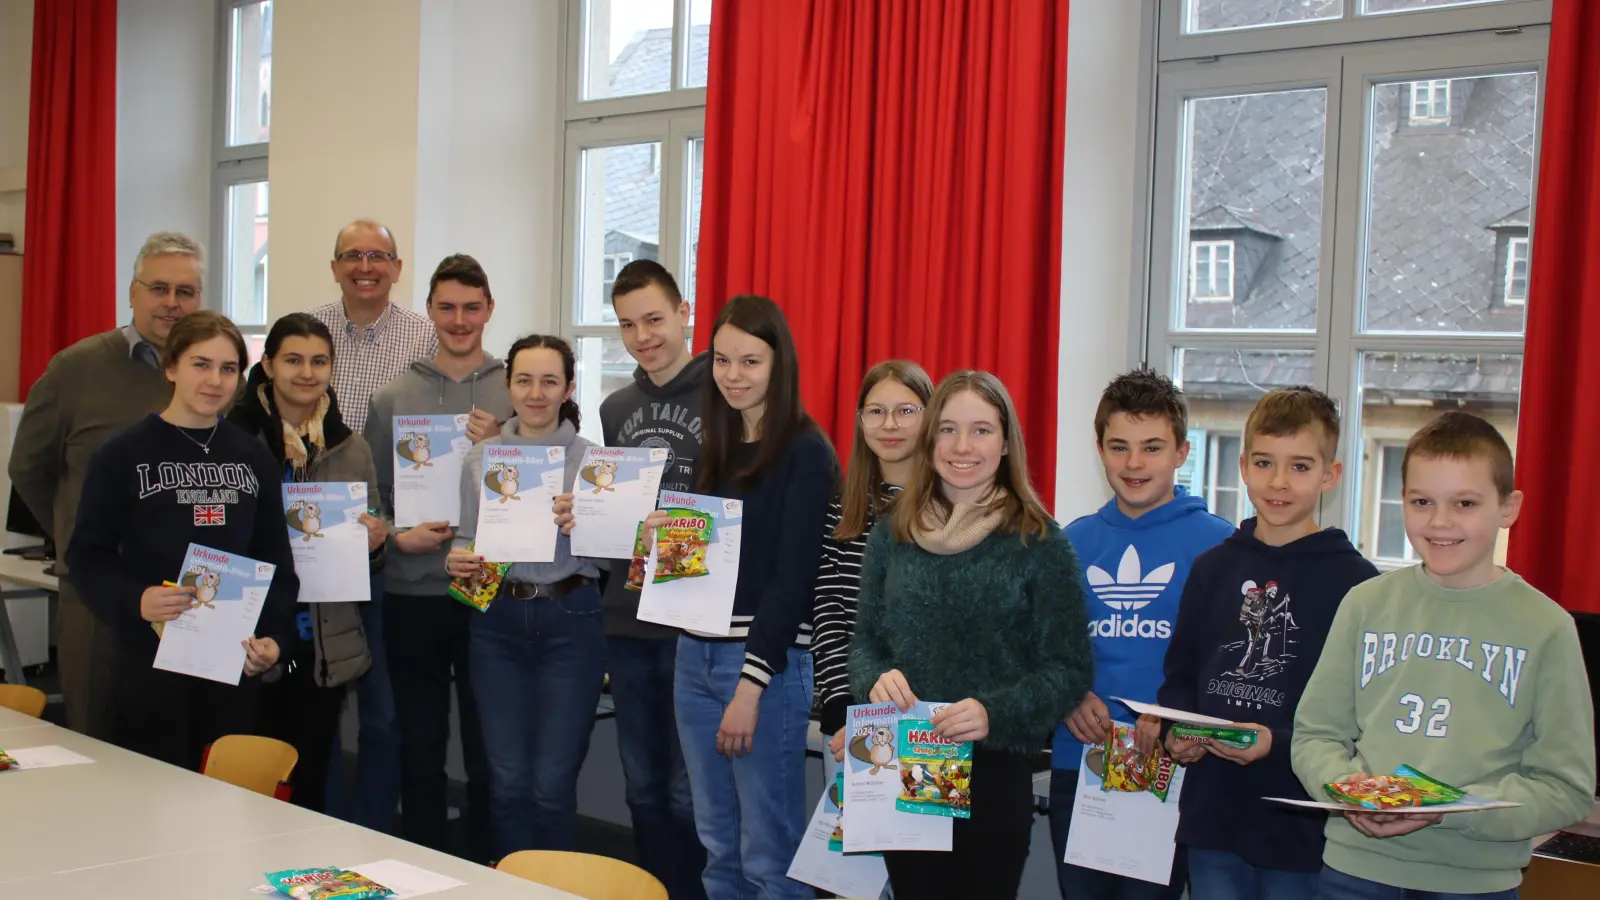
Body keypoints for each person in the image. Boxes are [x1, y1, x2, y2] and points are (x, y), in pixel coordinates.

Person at [1292, 412, 1596, 900]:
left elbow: (1566, 787)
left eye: (1466, 503)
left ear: (1508, 507)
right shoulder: (1365, 604)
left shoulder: (1548, 628)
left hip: (1473, 884)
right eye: (1422, 501)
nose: (1440, 521)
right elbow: (1315, 734)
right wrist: (1345, 786)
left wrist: (1452, 808)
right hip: (1354, 871)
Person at [850, 370, 1093, 899]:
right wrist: (874, 678)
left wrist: (994, 712)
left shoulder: (1040, 542)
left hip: (994, 775)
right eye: (950, 429)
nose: (963, 447)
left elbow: (1068, 669)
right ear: (931, 436)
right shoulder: (893, 532)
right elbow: (864, 640)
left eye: (982, 430)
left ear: (1006, 443)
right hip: (907, 758)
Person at [1157, 387, 1379, 899]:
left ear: (1330, 475)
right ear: (1243, 466)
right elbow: (1181, 676)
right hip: (1213, 818)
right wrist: (1179, 728)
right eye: (1264, 463)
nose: (1278, 482)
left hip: (1298, 827)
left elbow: (1358, 715)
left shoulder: (1357, 585)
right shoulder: (1212, 568)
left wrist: (1276, 743)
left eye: (1300, 467)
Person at [651, 295, 836, 900]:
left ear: (780, 365)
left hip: (760, 670)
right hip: (694, 657)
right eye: (723, 361)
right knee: (718, 847)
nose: (734, 375)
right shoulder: (719, 446)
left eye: (750, 361)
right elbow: (710, 567)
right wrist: (661, 538)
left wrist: (750, 688)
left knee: (769, 855)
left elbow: (792, 581)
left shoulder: (807, 453)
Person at [65, 311, 299, 769]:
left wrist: (276, 641)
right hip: (149, 665)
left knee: (226, 806)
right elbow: (86, 554)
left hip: (232, 666)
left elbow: (275, 558)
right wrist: (136, 599)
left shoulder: (253, 456)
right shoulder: (123, 454)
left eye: (228, 369)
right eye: (201, 364)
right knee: (150, 805)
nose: (215, 380)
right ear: (171, 367)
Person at [8, 231, 203, 738]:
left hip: (193, 593)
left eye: (185, 291)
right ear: (133, 293)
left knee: (182, 745)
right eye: (159, 288)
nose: (172, 303)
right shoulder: (75, 369)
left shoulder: (214, 375)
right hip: (99, 593)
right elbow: (29, 467)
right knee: (96, 736)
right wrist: (76, 530)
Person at [1051, 368, 1233, 900]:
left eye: (1152, 447)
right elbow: (1041, 650)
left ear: (1181, 451)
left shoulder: (1218, 548)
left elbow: (1227, 668)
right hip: (1080, 765)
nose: (1134, 463)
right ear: (1100, 449)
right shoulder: (1072, 543)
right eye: (1120, 447)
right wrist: (1067, 695)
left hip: (1173, 771)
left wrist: (1182, 716)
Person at [364, 254, 511, 857]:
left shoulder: (513, 388)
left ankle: (487, 867)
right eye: (446, 307)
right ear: (428, 311)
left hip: (487, 590)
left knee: (486, 745)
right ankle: (420, 862)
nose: (459, 320)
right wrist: (397, 534)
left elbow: (544, 484)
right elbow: (370, 499)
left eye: (471, 308)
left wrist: (502, 446)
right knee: (419, 743)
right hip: (413, 589)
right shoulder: (393, 395)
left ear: (489, 310)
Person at [448, 335, 604, 862]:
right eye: (524, 380)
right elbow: (468, 536)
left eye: (550, 381)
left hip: (571, 619)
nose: (536, 393)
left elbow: (621, 559)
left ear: (569, 388)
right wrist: (459, 558)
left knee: (552, 786)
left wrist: (586, 524)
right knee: (507, 781)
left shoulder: (594, 462)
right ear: (508, 385)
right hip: (496, 620)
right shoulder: (480, 458)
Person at [310, 219, 441, 832]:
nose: (366, 266)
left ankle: (372, 830)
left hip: (393, 551)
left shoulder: (424, 336)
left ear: (397, 265)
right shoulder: (309, 334)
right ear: (335, 266)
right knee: (319, 705)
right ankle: (324, 823)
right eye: (353, 256)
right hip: (318, 552)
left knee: (384, 714)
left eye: (379, 255)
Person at [228, 313, 389, 813]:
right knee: (244, 778)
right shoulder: (233, 439)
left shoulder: (351, 445)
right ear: (269, 365)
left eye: (319, 361)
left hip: (322, 634)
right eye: (293, 360)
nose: (307, 372)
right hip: (248, 632)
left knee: (309, 776)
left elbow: (372, 528)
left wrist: (375, 539)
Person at [594, 260, 709, 899]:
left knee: (689, 791)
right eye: (628, 325)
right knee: (642, 787)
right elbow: (615, 521)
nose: (642, 336)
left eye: (654, 319)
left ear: (684, 311)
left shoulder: (726, 395)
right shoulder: (616, 408)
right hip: (628, 621)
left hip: (696, 626)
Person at [814, 359, 935, 785]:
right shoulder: (843, 510)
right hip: (847, 719)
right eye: (876, 411)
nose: (890, 424)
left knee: (921, 851)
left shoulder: (950, 514)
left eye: (906, 410)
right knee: (850, 848)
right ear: (861, 421)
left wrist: (885, 717)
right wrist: (842, 704)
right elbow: (827, 610)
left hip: (923, 724)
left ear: (931, 417)